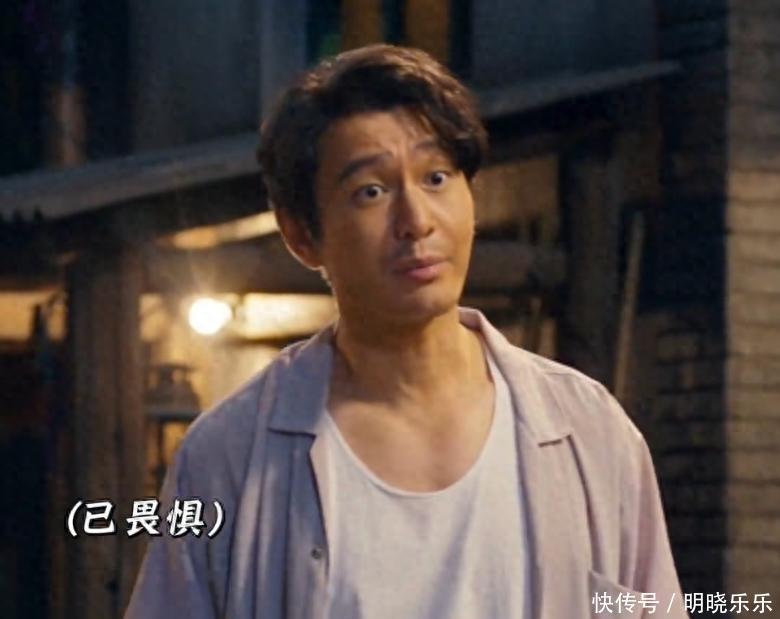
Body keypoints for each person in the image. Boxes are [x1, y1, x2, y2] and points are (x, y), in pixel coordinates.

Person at [125, 44, 688, 618]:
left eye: (436, 177)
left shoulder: (590, 432)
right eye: (371, 191)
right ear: (302, 236)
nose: (417, 221)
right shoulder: (229, 455)